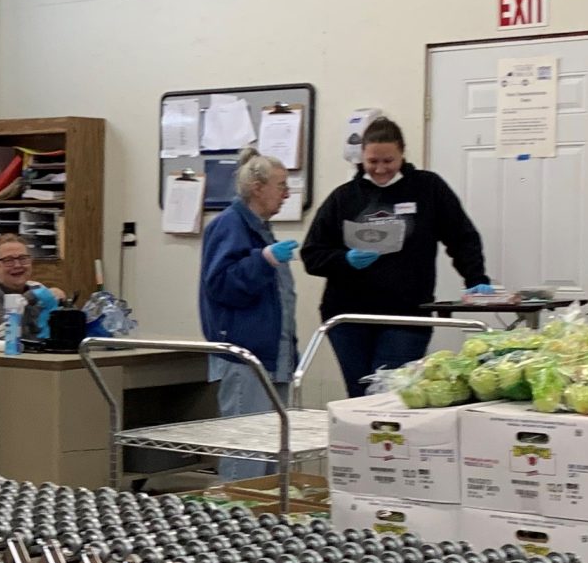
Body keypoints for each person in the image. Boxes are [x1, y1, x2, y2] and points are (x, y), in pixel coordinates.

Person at [300, 116, 490, 395]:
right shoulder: (344, 197)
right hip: (349, 316)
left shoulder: (428, 188)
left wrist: (476, 279)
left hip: (406, 314)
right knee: (358, 395)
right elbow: (312, 254)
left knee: (390, 394)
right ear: (362, 157)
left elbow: (461, 237)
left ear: (402, 153)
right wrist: (344, 260)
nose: (380, 169)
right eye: (372, 161)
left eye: (388, 161)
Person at [198, 154, 300, 428]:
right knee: (245, 442)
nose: (287, 194)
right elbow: (220, 285)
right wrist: (263, 260)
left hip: (271, 356)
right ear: (257, 188)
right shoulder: (229, 225)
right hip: (245, 357)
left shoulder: (260, 228)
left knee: (273, 442)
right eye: (281, 186)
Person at [0, 234, 64, 346]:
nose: (17, 265)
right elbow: (1, 336)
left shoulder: (38, 288)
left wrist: (62, 304)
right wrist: (27, 299)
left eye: (23, 258)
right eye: (8, 260)